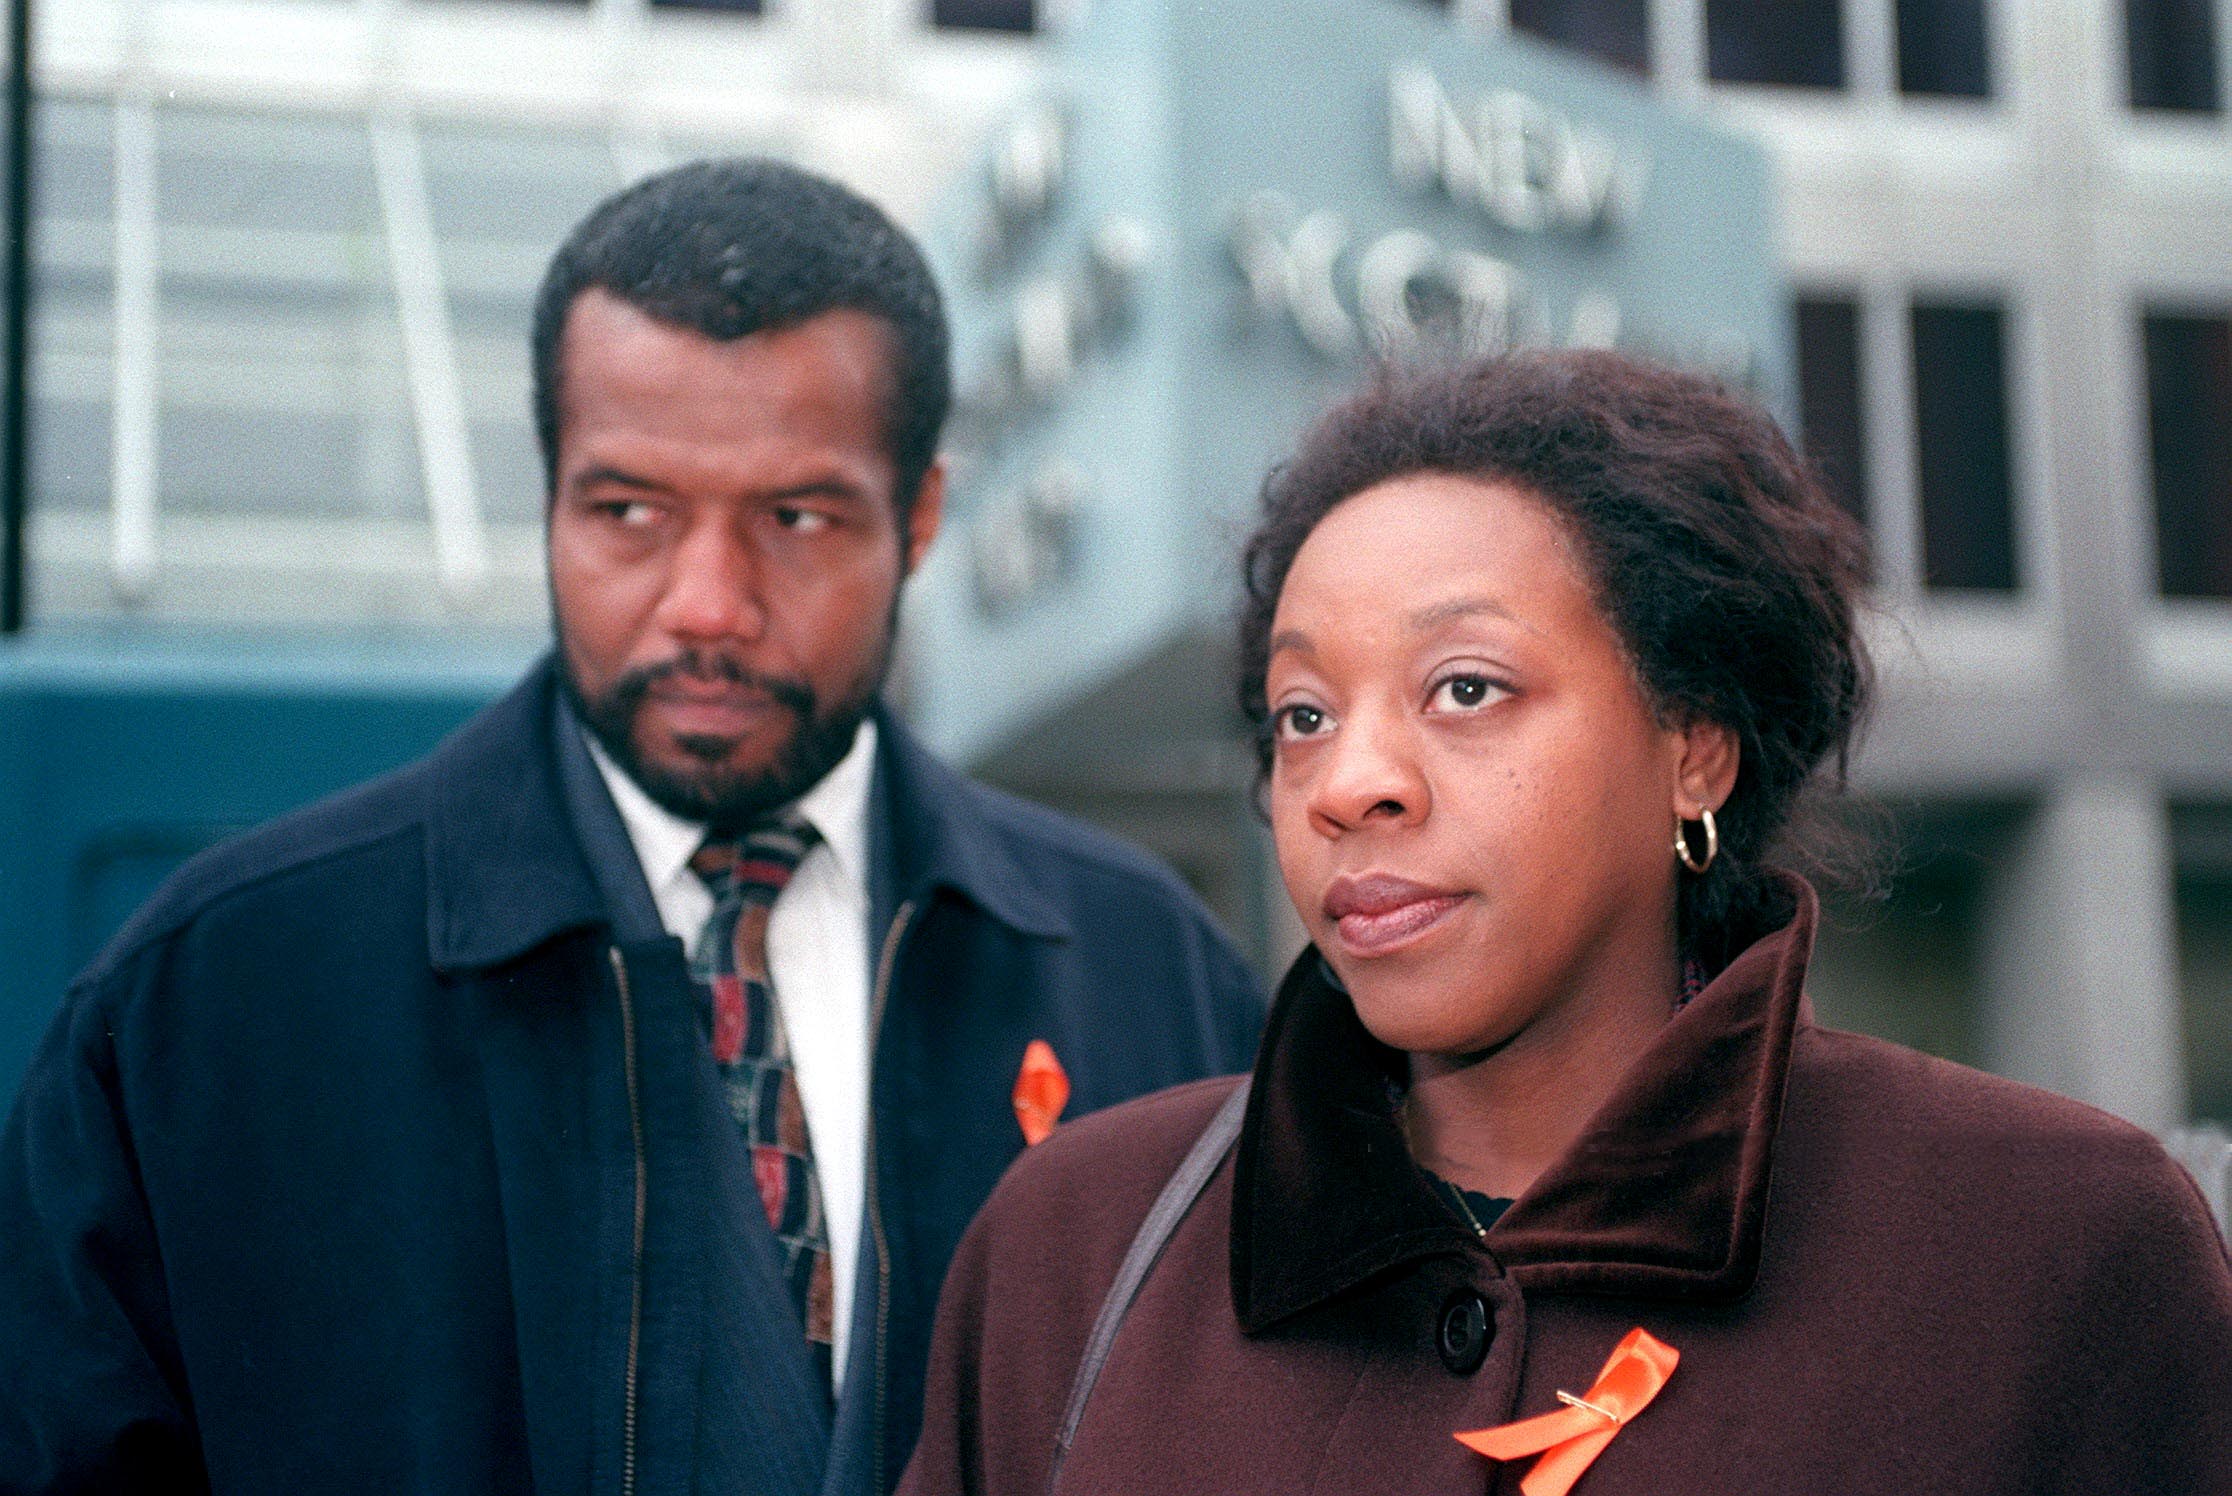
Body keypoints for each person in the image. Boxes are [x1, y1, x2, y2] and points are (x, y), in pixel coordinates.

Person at [0, 159, 1262, 1496]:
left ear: (923, 519)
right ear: (549, 499)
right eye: (631, 513)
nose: (707, 601)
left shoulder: (1153, 979)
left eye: (794, 516)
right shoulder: (207, 1008)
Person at [899, 351, 2232, 1496]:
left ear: (1696, 750)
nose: (1352, 784)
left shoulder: (2057, 1248)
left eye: (1465, 689)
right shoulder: (1070, 1250)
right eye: (1303, 715)